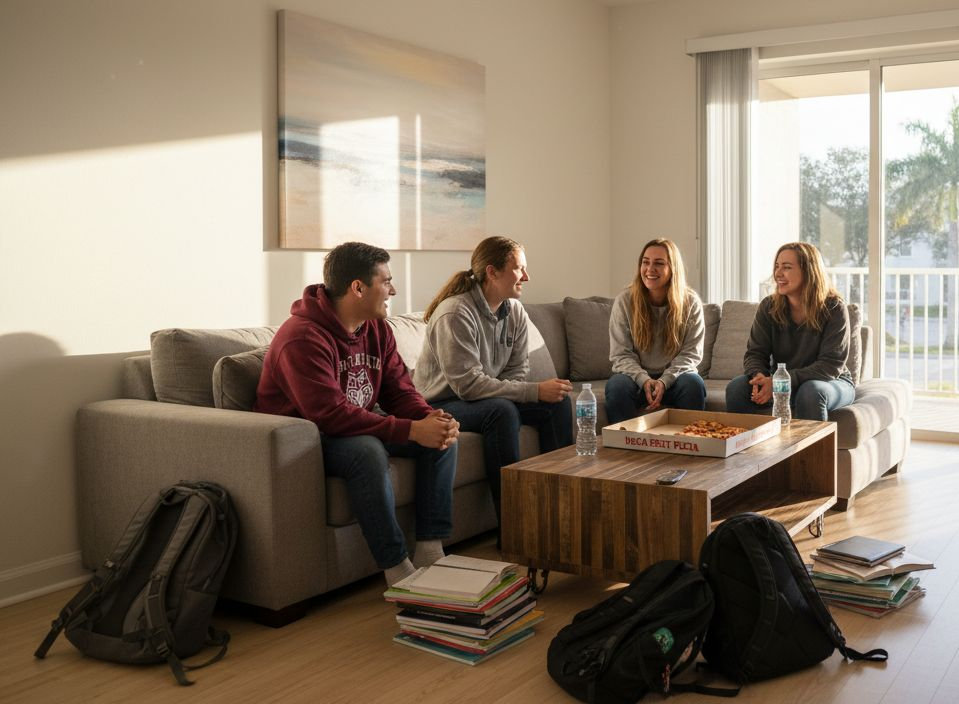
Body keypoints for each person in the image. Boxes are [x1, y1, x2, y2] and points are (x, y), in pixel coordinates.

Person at [254, 242, 460, 588]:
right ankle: (397, 569)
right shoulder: (302, 338)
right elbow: (329, 415)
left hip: (351, 426)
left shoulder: (376, 328)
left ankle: (430, 550)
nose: (393, 290)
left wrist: (428, 419)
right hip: (308, 437)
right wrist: (410, 431)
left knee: (440, 434)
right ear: (358, 287)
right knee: (367, 451)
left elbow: (399, 390)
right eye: (387, 281)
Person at [414, 236, 573, 528]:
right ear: (492, 272)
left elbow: (517, 368)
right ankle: (513, 525)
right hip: (443, 403)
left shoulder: (515, 311)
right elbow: (468, 385)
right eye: (519, 268)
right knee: (501, 411)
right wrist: (533, 391)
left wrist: (517, 392)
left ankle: (562, 511)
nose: (526, 276)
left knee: (557, 403)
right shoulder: (455, 313)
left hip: (485, 398)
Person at [726, 242, 855, 422]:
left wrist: (779, 382)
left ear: (808, 271)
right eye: (777, 267)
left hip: (831, 382)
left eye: (786, 267)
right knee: (736, 388)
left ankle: (812, 451)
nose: (778, 273)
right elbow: (755, 353)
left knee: (810, 391)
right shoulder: (768, 306)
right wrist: (759, 377)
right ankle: (743, 448)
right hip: (782, 382)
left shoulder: (834, 307)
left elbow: (830, 366)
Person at [606, 238, 707, 424]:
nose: (650, 269)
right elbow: (621, 354)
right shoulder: (625, 301)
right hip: (635, 380)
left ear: (673, 269)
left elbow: (691, 354)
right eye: (645, 262)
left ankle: (691, 446)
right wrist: (644, 380)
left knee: (693, 384)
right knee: (617, 385)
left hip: (675, 379)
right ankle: (622, 446)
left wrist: (664, 381)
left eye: (659, 263)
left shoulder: (691, 303)